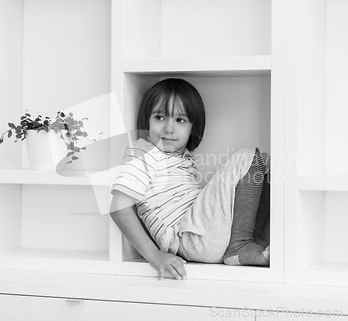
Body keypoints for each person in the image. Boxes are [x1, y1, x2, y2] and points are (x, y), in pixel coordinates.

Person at [109, 78, 270, 280]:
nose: (168, 128)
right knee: (247, 157)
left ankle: (245, 243)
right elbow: (119, 208)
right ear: (146, 120)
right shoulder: (143, 151)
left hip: (206, 237)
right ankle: (241, 245)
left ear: (193, 127)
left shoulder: (181, 158)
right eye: (160, 117)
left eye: (180, 120)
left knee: (266, 166)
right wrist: (153, 256)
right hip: (189, 238)